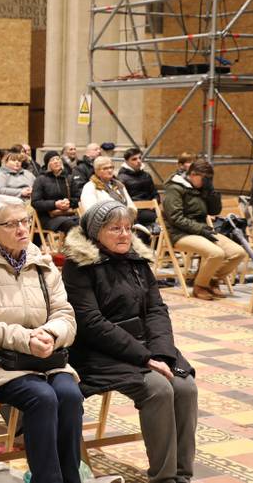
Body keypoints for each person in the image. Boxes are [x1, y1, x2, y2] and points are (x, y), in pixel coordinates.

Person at [62, 201, 197, 483]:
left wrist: (161, 353)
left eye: (127, 228)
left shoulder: (136, 260)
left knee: (185, 387)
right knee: (158, 389)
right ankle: (164, 477)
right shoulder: (78, 265)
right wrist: (144, 358)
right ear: (96, 233)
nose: (124, 234)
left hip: (147, 345)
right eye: (115, 229)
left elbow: (157, 310)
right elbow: (91, 323)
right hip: (100, 351)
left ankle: (182, 475)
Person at [0, 195, 82, 483]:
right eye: (12, 224)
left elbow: (66, 314)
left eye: (24, 221)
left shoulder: (42, 263)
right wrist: (26, 339)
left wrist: (50, 334)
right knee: (43, 397)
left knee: (71, 395)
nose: (23, 229)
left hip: (46, 356)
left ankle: (71, 478)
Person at [163, 159, 247, 300]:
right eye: (205, 179)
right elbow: (175, 218)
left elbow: (215, 210)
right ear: (193, 174)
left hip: (202, 231)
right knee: (216, 253)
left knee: (238, 252)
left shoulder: (201, 188)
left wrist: (211, 191)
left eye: (209, 179)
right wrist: (201, 229)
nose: (206, 181)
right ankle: (200, 286)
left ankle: (212, 280)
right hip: (180, 234)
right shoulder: (175, 187)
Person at [31, 152, 80, 234]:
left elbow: (77, 197)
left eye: (58, 159)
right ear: (47, 164)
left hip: (68, 214)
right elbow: (35, 202)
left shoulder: (68, 178)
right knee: (71, 225)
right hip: (47, 217)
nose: (56, 161)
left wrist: (69, 203)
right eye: (53, 160)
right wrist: (55, 204)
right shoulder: (41, 179)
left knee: (85, 223)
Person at [118, 148, 158, 227]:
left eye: (140, 158)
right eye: (134, 159)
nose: (139, 161)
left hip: (151, 208)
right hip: (135, 211)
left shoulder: (147, 175)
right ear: (126, 161)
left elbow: (155, 193)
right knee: (159, 219)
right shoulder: (121, 178)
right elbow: (124, 200)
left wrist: (155, 201)